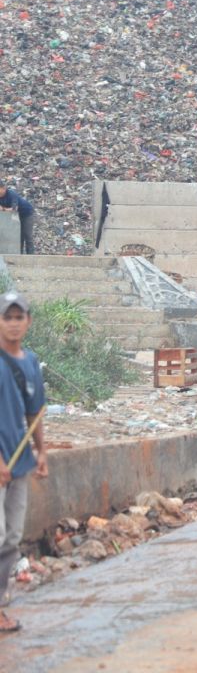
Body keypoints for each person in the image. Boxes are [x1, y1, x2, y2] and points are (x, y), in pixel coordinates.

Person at [0, 291, 48, 633]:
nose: (13, 323)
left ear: (28, 322)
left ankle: (1, 605)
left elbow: (35, 412)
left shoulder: (30, 363)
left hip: (18, 465)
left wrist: (40, 451)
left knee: (12, 538)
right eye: (7, 317)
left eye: (19, 317)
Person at [0, 184, 34, 255]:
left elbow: (14, 209)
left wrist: (3, 209)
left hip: (26, 214)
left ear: (4, 188)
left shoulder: (12, 194)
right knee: (18, 237)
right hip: (15, 216)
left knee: (28, 235)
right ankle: (19, 255)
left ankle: (31, 256)